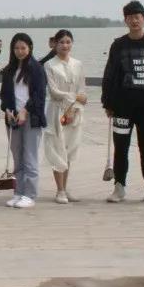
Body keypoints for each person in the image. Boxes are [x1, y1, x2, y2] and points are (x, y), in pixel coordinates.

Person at [101, 0, 144, 204]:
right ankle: (119, 187)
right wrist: (107, 102)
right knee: (121, 148)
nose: (134, 21)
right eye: (130, 18)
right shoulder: (118, 45)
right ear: (125, 20)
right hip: (122, 106)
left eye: (137, 17)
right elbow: (110, 74)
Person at [0, 33, 47, 209]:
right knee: (17, 157)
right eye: (16, 48)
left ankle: (30, 194)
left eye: (23, 48)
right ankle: (18, 192)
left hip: (31, 119)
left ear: (30, 48)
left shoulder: (36, 68)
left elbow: (39, 95)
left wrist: (25, 111)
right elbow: (4, 95)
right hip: (13, 119)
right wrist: (7, 110)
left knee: (30, 157)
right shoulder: (9, 70)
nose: (20, 51)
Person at [42, 29, 86, 204]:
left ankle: (65, 188)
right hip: (57, 110)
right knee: (57, 148)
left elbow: (82, 90)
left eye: (68, 42)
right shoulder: (49, 65)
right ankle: (59, 190)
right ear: (55, 44)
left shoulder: (78, 64)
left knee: (69, 149)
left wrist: (74, 107)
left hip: (74, 112)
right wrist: (75, 98)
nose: (65, 45)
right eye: (61, 42)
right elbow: (54, 92)